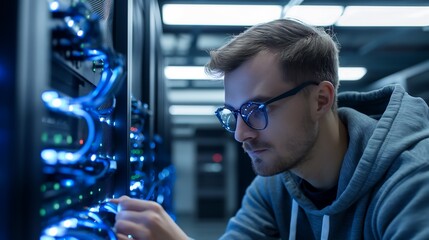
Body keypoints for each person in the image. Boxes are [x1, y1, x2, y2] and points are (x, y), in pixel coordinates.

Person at [111, 18, 429, 239]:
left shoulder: (410, 183)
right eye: (234, 114)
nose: (241, 134)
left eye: (256, 110)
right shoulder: (277, 183)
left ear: (320, 100)